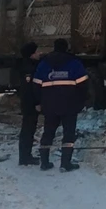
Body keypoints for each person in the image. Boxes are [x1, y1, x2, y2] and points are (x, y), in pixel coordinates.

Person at [32, 38, 89, 171]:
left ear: (54, 47)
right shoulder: (74, 63)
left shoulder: (44, 63)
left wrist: (38, 102)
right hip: (69, 105)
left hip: (49, 105)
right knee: (68, 134)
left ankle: (44, 162)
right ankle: (65, 163)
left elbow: (36, 85)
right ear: (66, 47)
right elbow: (83, 86)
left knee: (48, 133)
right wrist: (81, 102)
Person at [16, 41, 41, 166]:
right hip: (29, 104)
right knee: (28, 129)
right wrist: (36, 103)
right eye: (37, 51)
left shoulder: (28, 65)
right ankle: (25, 157)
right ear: (31, 54)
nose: (39, 53)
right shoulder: (29, 69)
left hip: (27, 103)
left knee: (29, 129)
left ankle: (26, 155)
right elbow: (30, 89)